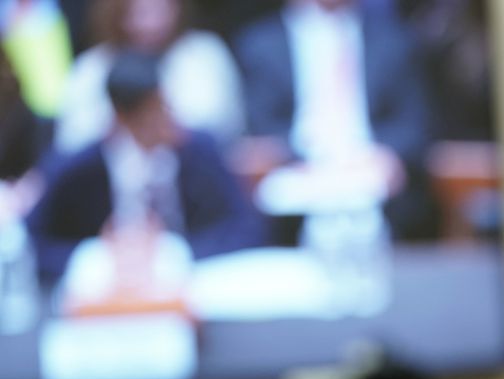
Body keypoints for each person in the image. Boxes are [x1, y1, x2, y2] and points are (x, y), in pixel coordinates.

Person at [26, 48, 263, 285]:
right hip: (108, 293)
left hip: (187, 282)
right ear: (121, 116)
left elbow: (247, 226)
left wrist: (175, 254)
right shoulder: (79, 166)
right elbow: (32, 243)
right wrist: (100, 258)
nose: (166, 120)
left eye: (165, 106)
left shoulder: (199, 150)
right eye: (153, 111)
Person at [233, 0, 438, 240]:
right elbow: (260, 126)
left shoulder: (394, 39)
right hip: (296, 178)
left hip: (375, 179)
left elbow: (414, 125)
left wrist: (386, 155)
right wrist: (303, 158)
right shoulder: (259, 44)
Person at [53, 0, 243, 154]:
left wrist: (166, 131)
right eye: (139, 10)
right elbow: (71, 140)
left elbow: (224, 125)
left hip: (195, 173)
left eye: (158, 8)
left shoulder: (204, 53)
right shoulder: (92, 68)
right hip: (107, 181)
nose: (149, 22)